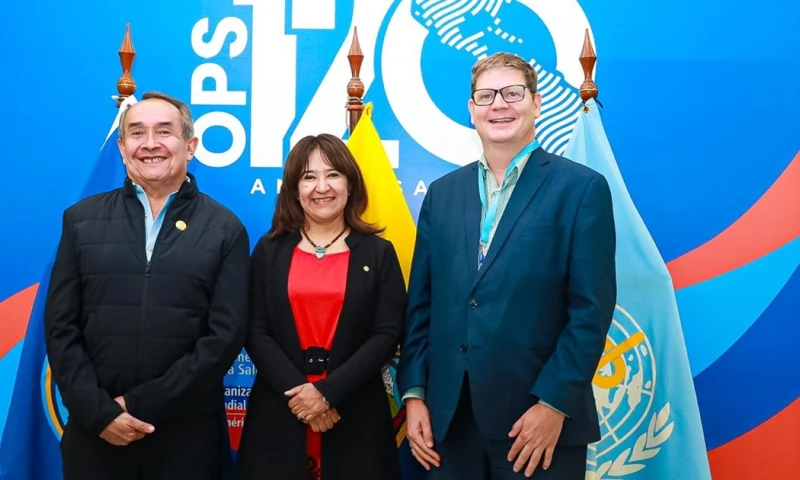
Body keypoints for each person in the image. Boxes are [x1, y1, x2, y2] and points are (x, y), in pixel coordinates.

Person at [397, 52, 617, 479]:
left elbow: (591, 311)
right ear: (471, 109)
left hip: (536, 423)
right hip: (448, 422)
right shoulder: (443, 194)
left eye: (512, 93)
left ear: (537, 103)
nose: (499, 104)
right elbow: (421, 306)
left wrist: (554, 404)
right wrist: (415, 392)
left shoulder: (581, 189)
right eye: (486, 96)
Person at [44, 91, 250, 480]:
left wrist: (139, 405)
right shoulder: (80, 221)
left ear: (190, 146)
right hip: (96, 434)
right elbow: (60, 327)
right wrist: (100, 413)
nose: (150, 143)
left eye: (164, 131)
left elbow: (225, 337)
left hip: (187, 439)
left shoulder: (226, 229)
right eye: (137, 133)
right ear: (122, 149)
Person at [236, 134, 405, 480]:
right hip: (281, 408)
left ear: (350, 184)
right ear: (294, 189)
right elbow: (255, 329)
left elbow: (387, 334)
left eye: (333, 175)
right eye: (309, 177)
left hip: (355, 410)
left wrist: (328, 393)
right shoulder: (269, 251)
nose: (321, 187)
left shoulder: (379, 253)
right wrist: (305, 399)